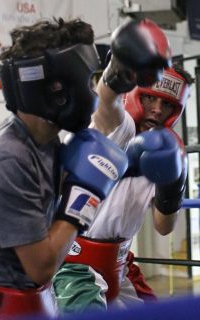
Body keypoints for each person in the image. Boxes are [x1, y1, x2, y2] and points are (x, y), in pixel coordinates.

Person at [0, 17, 135, 318]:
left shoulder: (48, 143)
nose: (92, 96)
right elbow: (41, 267)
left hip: (37, 300)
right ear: (56, 90)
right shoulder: (7, 159)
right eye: (86, 82)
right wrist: (83, 197)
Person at [52, 19, 194, 314]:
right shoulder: (119, 127)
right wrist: (120, 66)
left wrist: (173, 185)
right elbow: (106, 101)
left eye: (166, 104)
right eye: (151, 98)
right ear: (136, 93)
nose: (157, 109)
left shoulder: (167, 149)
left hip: (119, 263)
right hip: (75, 263)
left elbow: (163, 227)